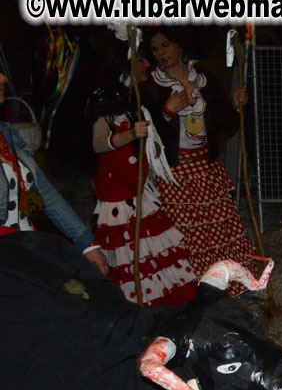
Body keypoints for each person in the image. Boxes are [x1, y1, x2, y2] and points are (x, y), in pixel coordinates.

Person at [86, 45, 198, 306]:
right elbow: (98, 143)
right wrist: (129, 135)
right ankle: (139, 305)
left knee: (153, 252)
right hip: (119, 197)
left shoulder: (136, 96)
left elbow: (155, 133)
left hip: (140, 191)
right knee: (132, 255)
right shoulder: (106, 100)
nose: (147, 64)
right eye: (140, 59)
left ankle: (164, 301)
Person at [144, 29, 255, 285]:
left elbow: (222, 123)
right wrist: (166, 112)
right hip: (175, 173)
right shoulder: (152, 87)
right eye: (155, 49)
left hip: (206, 168)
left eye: (166, 45)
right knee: (183, 234)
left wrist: (235, 106)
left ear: (180, 46)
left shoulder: (204, 80)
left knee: (215, 230)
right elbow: (148, 135)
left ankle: (219, 285)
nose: (161, 53)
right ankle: (189, 287)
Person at [0, 72, 104, 275]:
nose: (4, 78)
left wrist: (85, 242)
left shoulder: (7, 134)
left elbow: (44, 191)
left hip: (28, 251)